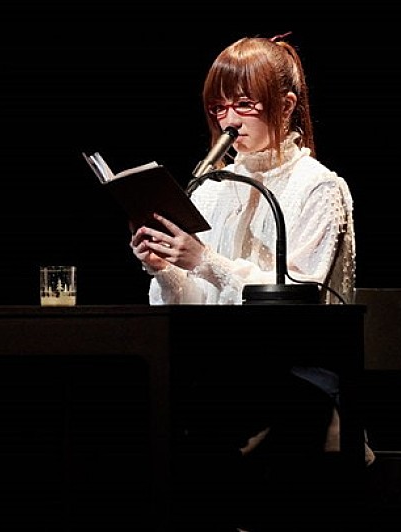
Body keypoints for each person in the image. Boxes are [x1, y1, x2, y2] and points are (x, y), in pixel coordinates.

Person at [129, 33, 357, 531]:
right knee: (142, 392)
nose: (228, 121)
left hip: (299, 374)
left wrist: (205, 261)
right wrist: (167, 268)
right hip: (227, 368)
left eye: (244, 105)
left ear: (286, 105)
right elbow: (196, 303)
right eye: (218, 108)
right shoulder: (211, 189)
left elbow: (296, 300)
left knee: (190, 408)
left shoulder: (318, 186)